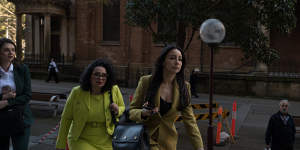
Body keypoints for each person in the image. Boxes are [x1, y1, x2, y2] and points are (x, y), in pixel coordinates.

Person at [129, 45, 204, 150]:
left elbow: (190, 121)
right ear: (163, 61)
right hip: (145, 140)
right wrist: (143, 113)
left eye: (180, 59)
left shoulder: (184, 87)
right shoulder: (146, 81)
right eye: (172, 58)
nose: (177, 62)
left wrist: (199, 147)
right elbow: (132, 111)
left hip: (169, 143)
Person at [56, 58, 125, 150]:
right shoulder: (77, 92)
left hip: (107, 141)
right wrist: (60, 145)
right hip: (80, 139)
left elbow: (122, 107)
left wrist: (118, 110)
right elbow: (66, 118)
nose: (100, 78)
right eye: (96, 74)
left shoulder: (114, 90)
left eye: (104, 75)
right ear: (89, 76)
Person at [0, 38, 33, 150]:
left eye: (13, 50)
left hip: (20, 117)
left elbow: (27, 95)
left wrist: (7, 102)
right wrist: (3, 96)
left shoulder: (22, 69)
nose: (11, 53)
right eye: (6, 50)